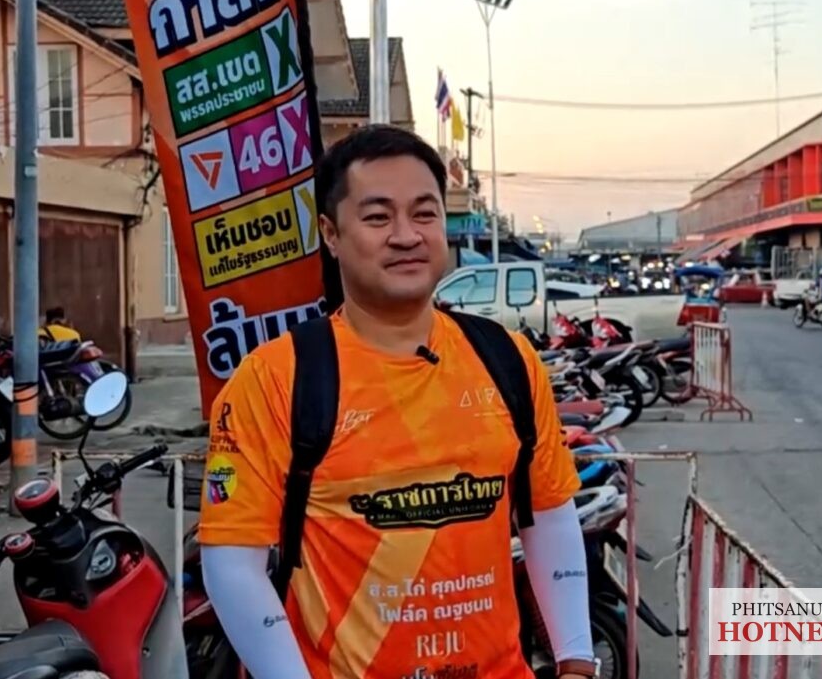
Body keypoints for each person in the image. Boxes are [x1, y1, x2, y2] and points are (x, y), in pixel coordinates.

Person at [197, 125, 596, 679]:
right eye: (378, 217)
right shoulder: (276, 378)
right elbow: (232, 563)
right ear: (331, 234)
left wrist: (576, 659)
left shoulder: (508, 358)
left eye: (424, 214)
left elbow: (547, 514)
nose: (406, 236)